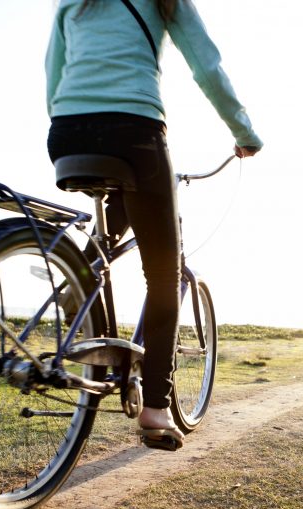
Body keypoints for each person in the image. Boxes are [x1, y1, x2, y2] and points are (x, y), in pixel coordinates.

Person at [45, 0, 262, 449]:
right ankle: (156, 405)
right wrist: (245, 134)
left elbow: (54, 65)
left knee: (119, 210)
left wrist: (70, 119)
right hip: (136, 131)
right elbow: (207, 66)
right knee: (164, 274)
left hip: (67, 131)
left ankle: (81, 275)